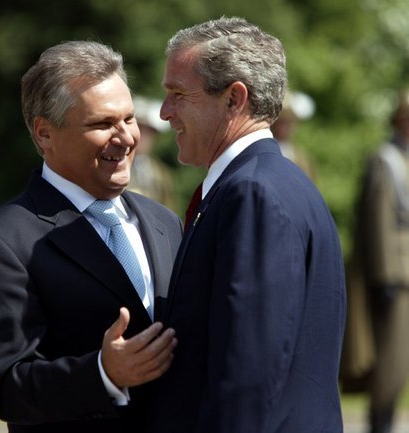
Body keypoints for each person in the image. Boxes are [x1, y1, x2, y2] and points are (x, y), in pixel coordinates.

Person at [0, 41, 183, 433]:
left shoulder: (164, 221)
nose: (127, 137)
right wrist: (102, 373)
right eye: (102, 124)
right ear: (45, 134)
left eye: (129, 119)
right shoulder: (2, 242)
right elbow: (8, 387)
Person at [147, 16, 347, 433]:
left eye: (178, 94)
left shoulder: (253, 194)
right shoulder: (273, 183)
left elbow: (248, 373)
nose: (165, 113)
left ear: (234, 99)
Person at [342, 89, 409, 433]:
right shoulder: (386, 160)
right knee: (390, 364)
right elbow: (379, 220)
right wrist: (384, 277)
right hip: (395, 278)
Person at [128, 96, 175, 208]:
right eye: (140, 129)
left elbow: (166, 210)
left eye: (149, 133)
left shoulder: (160, 174)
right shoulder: (112, 165)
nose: (143, 138)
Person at [271, 90, 316, 180]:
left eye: (289, 122)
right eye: (281, 122)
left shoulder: (300, 157)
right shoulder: (264, 149)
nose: (285, 127)